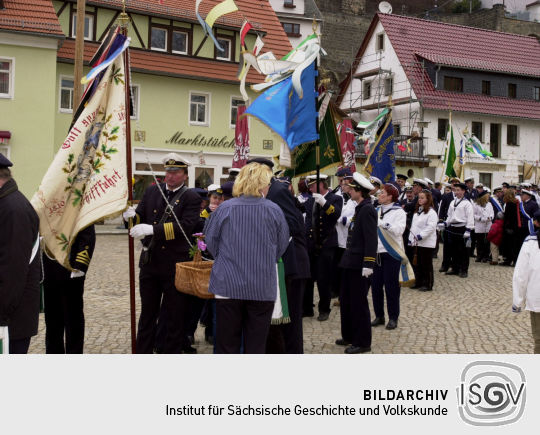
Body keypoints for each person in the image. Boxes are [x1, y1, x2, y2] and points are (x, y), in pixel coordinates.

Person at [204, 163, 289, 353]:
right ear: (262, 184)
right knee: (256, 345)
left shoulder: (225, 208)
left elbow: (211, 242)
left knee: (227, 345)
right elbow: (281, 246)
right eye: (267, 183)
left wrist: (227, 258)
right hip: (261, 286)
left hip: (228, 286)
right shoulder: (274, 210)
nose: (268, 187)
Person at [124, 153, 201, 354]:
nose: (170, 176)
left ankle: (170, 352)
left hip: (174, 265)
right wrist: (130, 218)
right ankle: (142, 352)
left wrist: (153, 229)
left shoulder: (191, 196)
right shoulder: (152, 192)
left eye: (175, 172)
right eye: (168, 171)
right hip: (151, 263)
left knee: (174, 314)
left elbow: (186, 226)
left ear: (185, 175)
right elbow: (140, 218)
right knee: (147, 313)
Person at [246, 157, 310, 354]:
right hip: (277, 264)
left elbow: (295, 225)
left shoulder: (277, 191)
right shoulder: (262, 192)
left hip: (290, 265)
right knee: (275, 320)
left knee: (289, 321)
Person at [0, 154, 41, 354]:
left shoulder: (13, 209)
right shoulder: (6, 203)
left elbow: (13, 270)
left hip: (10, 319)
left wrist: (1, 314)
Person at [336, 173, 377, 353]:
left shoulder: (367, 210)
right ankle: (349, 335)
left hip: (360, 264)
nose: (349, 191)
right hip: (349, 262)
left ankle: (362, 342)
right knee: (346, 300)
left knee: (358, 303)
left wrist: (368, 264)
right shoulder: (359, 208)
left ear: (360, 191)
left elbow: (371, 239)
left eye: (352, 189)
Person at [42, 225, 96, 353]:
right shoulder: (47, 207)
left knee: (73, 319)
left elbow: (87, 236)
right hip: (50, 269)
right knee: (52, 320)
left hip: (71, 270)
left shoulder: (78, 206)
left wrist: (80, 265)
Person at [303, 174, 343, 321]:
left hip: (327, 244)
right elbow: (308, 222)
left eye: (312, 185)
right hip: (311, 244)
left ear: (320, 184)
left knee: (323, 279)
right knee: (308, 277)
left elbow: (336, 215)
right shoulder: (310, 200)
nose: (310, 188)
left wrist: (324, 204)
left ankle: (324, 309)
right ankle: (307, 308)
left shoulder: (335, 199)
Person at [371, 183, 407, 330]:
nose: (379, 195)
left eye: (382, 193)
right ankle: (379, 316)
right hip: (376, 253)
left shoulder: (399, 212)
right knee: (376, 287)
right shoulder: (376, 210)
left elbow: (399, 230)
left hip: (391, 253)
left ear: (390, 196)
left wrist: (383, 224)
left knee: (391, 288)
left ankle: (393, 317)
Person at [512, 210, 540, 353]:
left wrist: (517, 301)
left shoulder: (530, 242)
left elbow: (520, 275)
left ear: (536, 223)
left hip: (537, 299)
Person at [439, 182, 474, 278]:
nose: (457, 192)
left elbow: (470, 217)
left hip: (462, 228)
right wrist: (445, 223)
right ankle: (455, 268)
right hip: (453, 228)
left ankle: (464, 270)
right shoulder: (452, 202)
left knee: (463, 250)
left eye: (459, 190)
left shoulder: (467, 203)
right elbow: (450, 216)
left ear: (463, 191)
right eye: (455, 190)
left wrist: (468, 230)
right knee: (453, 249)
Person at [409, 190, 438, 291]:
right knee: (417, 263)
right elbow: (413, 227)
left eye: (422, 198)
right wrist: (410, 239)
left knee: (426, 264)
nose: (420, 200)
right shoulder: (417, 211)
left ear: (428, 199)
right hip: (416, 242)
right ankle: (418, 281)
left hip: (426, 242)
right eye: (419, 198)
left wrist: (421, 236)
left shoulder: (431, 212)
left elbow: (431, 227)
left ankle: (428, 283)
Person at [501, 189, 521, 266]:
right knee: (514, 245)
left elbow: (508, 217)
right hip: (516, 227)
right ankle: (513, 260)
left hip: (510, 227)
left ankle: (509, 260)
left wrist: (505, 226)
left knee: (510, 245)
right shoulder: (516, 203)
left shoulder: (509, 204)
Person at [473, 191, 494, 263]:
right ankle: (479, 256)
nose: (488, 198)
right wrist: (480, 218)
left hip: (488, 225)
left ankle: (486, 256)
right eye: (487, 196)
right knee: (479, 242)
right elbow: (473, 215)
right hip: (480, 225)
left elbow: (492, 213)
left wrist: (490, 218)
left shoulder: (489, 204)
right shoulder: (476, 205)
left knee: (487, 242)